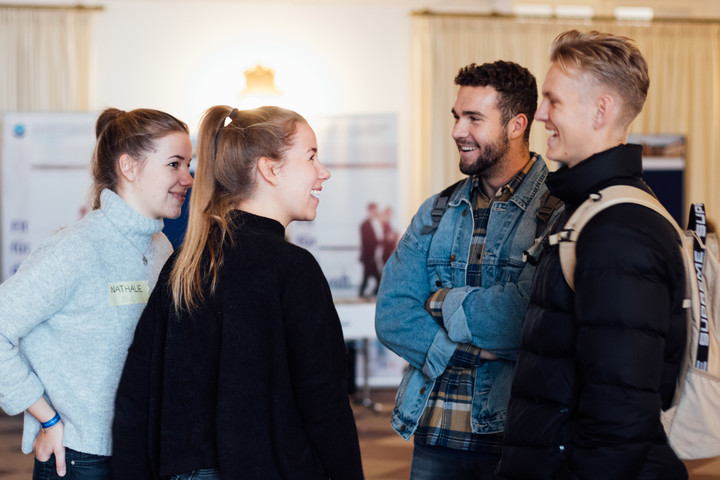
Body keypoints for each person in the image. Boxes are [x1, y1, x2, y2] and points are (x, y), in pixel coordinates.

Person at [112, 105, 364, 480]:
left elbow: (138, 392)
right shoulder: (293, 269)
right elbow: (325, 406)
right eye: (311, 156)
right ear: (269, 168)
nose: (322, 171)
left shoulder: (185, 263)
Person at [496, 30, 689, 479]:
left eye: (553, 100)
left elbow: (620, 414)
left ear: (601, 110)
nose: (539, 113)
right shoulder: (591, 209)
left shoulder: (618, 230)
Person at [375, 60, 558, 479]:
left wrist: (438, 302)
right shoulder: (436, 210)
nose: (458, 130)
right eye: (458, 117)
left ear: (516, 125)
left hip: (517, 438)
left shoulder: (559, 211)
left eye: (474, 118)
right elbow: (391, 315)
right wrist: (469, 351)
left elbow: (526, 318)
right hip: (433, 436)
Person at [0, 108, 193, 479]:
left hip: (140, 451)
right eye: (174, 164)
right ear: (129, 167)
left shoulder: (160, 247)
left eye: (188, 164)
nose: (187, 178)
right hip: (81, 459)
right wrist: (46, 417)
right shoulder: (75, 249)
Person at [358, 202, 382, 297]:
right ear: (370, 211)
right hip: (368, 256)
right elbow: (367, 241)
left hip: (371, 256)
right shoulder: (365, 225)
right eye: (373, 210)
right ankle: (370, 292)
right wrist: (378, 242)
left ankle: (367, 292)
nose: (375, 212)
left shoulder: (374, 223)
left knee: (368, 277)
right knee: (376, 277)